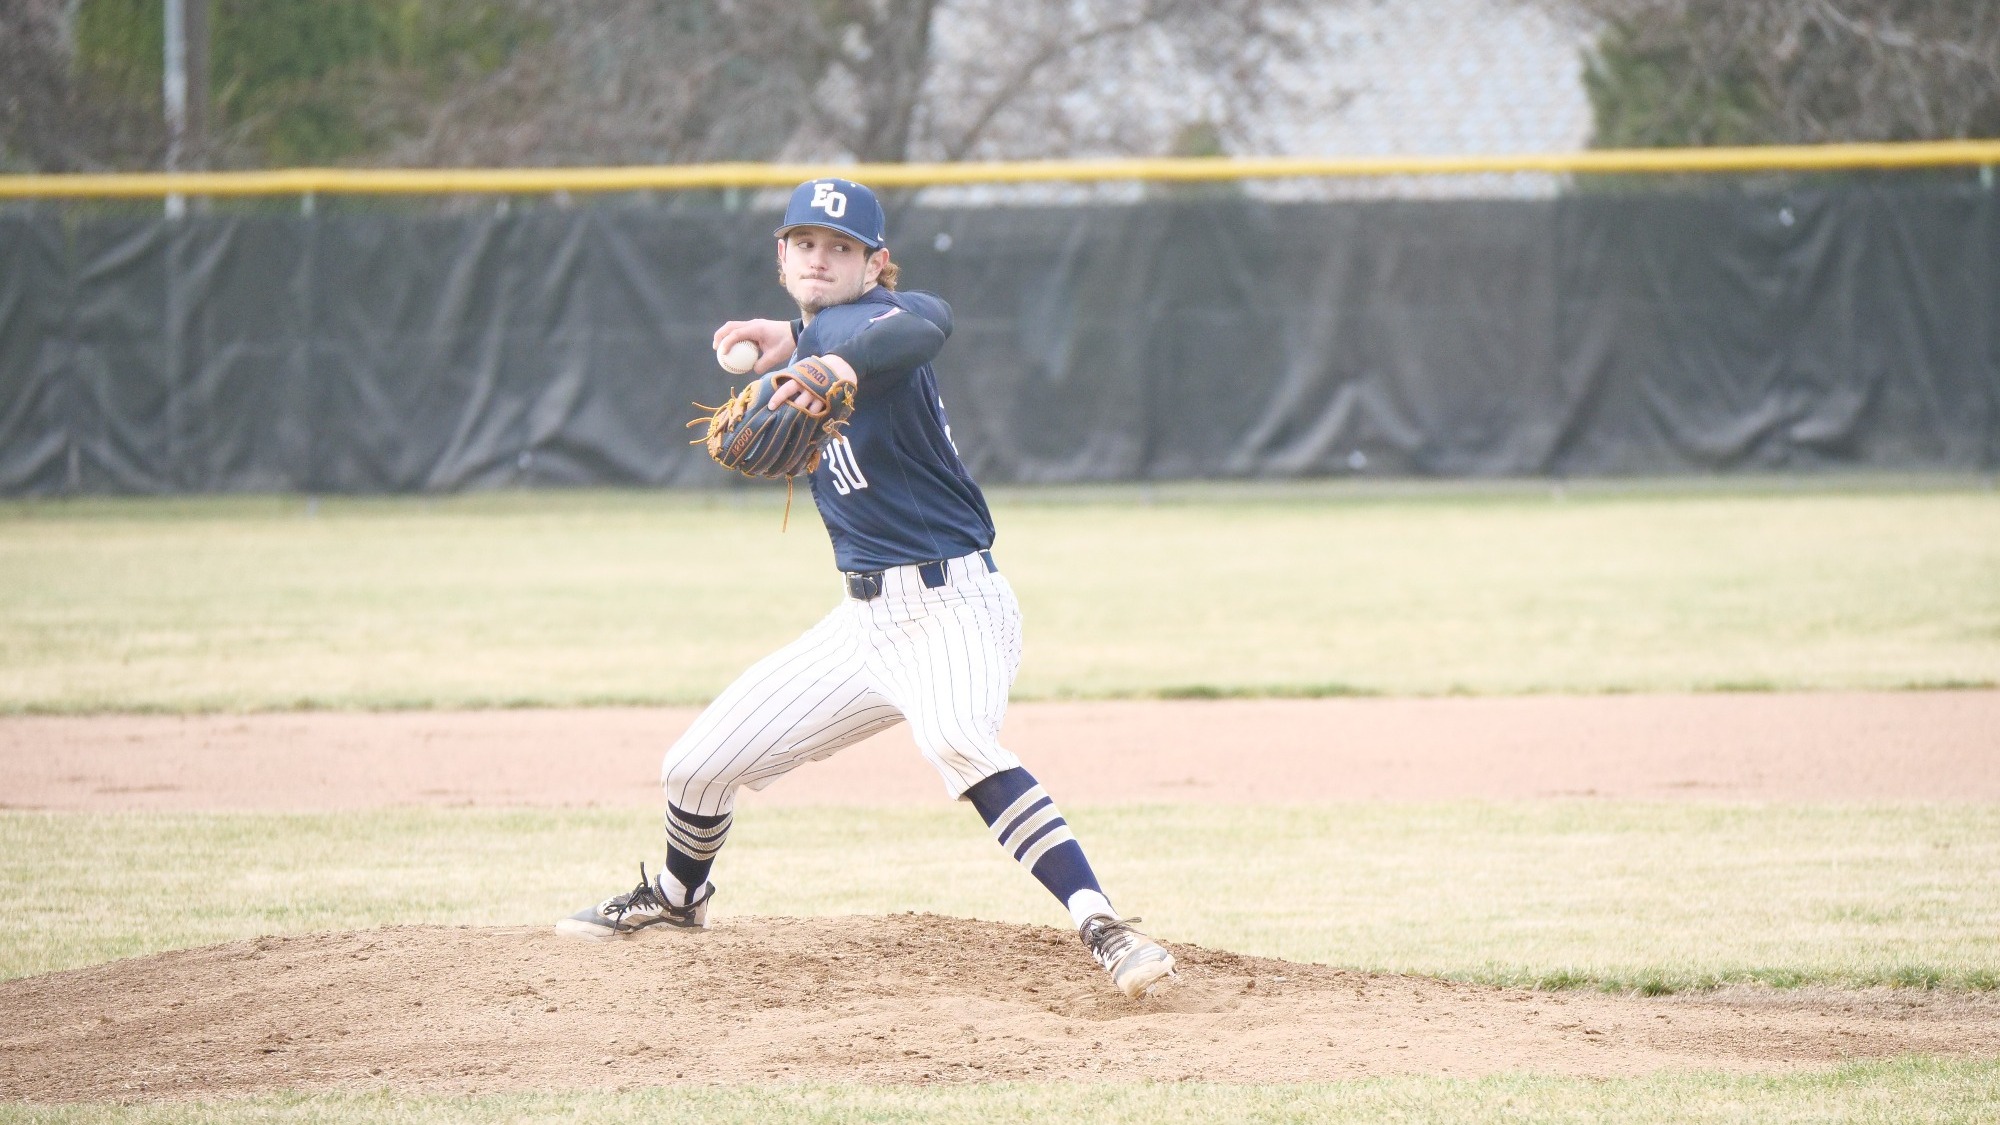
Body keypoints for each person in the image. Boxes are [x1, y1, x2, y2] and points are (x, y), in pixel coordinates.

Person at [555, 177, 1176, 999]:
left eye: (841, 248)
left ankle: (1104, 926)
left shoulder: (876, 323)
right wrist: (794, 338)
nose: (820, 258)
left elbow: (927, 321)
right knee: (693, 766)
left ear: (874, 263)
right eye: (805, 243)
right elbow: (830, 327)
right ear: (781, 257)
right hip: (863, 625)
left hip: (954, 607)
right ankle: (677, 897)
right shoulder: (816, 332)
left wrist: (831, 355)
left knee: (958, 739)